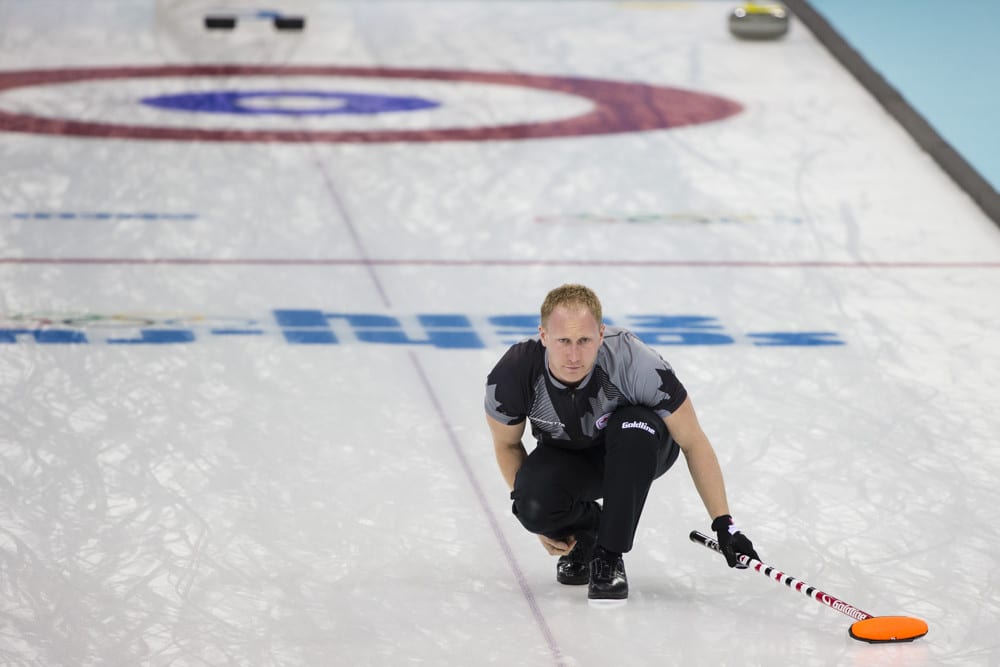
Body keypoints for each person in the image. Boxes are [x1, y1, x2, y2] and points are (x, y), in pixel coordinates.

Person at [485, 284, 759, 602]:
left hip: (643, 446)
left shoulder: (635, 363)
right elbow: (507, 445)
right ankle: (588, 534)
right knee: (531, 506)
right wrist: (542, 521)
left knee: (632, 426)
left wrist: (724, 523)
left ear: (601, 335)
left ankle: (609, 555)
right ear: (544, 336)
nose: (574, 355)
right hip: (570, 456)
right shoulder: (513, 374)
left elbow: (693, 441)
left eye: (584, 340)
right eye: (563, 341)